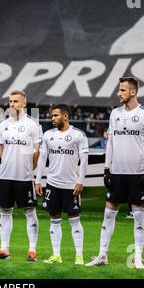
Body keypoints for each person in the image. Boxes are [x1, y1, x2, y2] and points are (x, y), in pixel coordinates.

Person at [86, 77, 144, 269]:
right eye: (120, 90)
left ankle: (138, 257)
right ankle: (102, 255)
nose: (119, 93)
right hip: (117, 172)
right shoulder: (114, 114)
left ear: (133, 92)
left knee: (139, 215)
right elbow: (111, 143)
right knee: (109, 213)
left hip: (137, 173)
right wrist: (107, 168)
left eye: (123, 90)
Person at [0, 90, 42, 261]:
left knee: (30, 211)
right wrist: (8, 162)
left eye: (16, 101)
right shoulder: (4, 125)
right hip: (5, 177)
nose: (12, 104)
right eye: (10, 101)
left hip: (24, 177)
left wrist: (28, 168)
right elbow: (1, 147)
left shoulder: (33, 125)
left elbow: (37, 151)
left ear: (24, 103)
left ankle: (32, 250)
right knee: (5, 211)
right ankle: (4, 249)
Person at [35, 104, 88, 265]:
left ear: (65, 116)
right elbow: (42, 158)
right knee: (54, 218)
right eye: (52, 116)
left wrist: (80, 181)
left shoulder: (78, 135)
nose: (52, 118)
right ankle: (56, 254)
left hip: (71, 185)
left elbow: (84, 159)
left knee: (74, 218)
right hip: (52, 184)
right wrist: (38, 180)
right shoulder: (48, 135)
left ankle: (79, 255)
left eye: (56, 115)